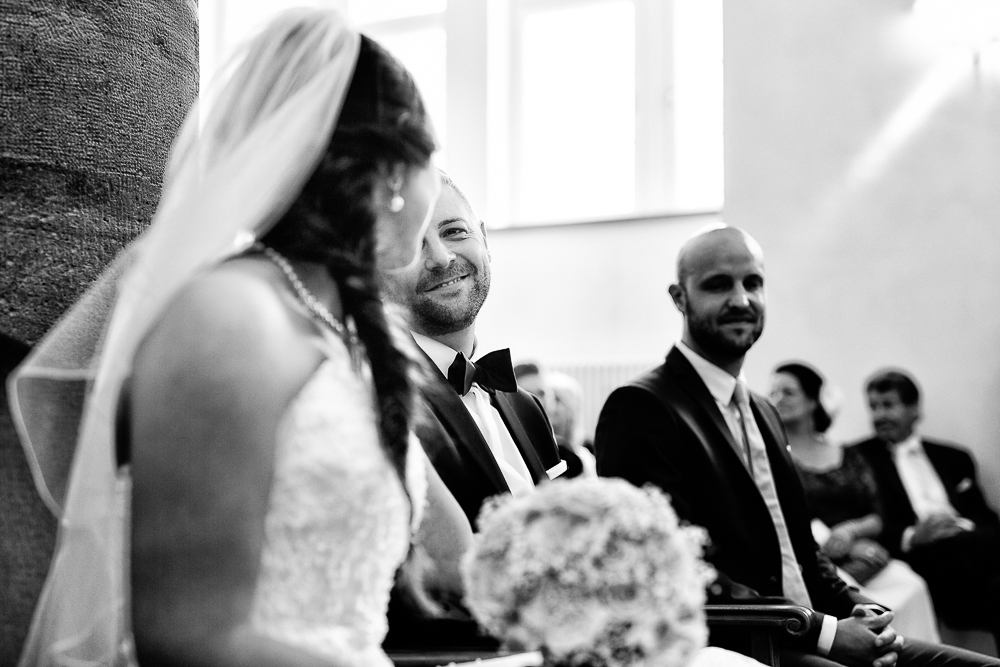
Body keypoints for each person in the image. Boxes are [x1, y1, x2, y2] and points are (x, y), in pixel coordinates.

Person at [9, 9, 472, 667]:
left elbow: (454, 551)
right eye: (432, 161)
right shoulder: (229, 316)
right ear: (394, 172)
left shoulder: (345, 332)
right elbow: (188, 636)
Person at [594, 224, 999, 667]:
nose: (741, 300)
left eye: (753, 283)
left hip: (811, 625)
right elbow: (673, 568)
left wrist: (864, 611)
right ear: (679, 297)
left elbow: (801, 550)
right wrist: (825, 634)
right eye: (718, 284)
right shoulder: (642, 406)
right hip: (744, 644)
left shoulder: (763, 411)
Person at [380, 172, 565, 527]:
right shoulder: (387, 409)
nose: (441, 257)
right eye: (412, 243)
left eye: (454, 231)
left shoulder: (527, 407)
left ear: (485, 240)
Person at [769, 362, 940, 643]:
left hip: (863, 546)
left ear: (813, 400)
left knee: (912, 585)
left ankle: (921, 657)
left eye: (788, 392)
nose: (777, 399)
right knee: (869, 607)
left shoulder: (848, 453)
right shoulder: (775, 458)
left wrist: (852, 533)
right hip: (817, 558)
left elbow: (877, 513)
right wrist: (837, 543)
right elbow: (783, 517)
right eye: (773, 392)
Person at [855, 369, 1000, 648]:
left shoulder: (954, 457)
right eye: (873, 407)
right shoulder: (860, 459)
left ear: (914, 409)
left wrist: (960, 526)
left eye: (888, 405)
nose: (879, 415)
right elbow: (869, 520)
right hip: (920, 553)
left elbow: (984, 516)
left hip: (969, 544)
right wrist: (913, 536)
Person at [514, 362, 597, 479]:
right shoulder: (511, 451)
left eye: (542, 393)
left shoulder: (567, 452)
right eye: (527, 394)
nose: (537, 400)